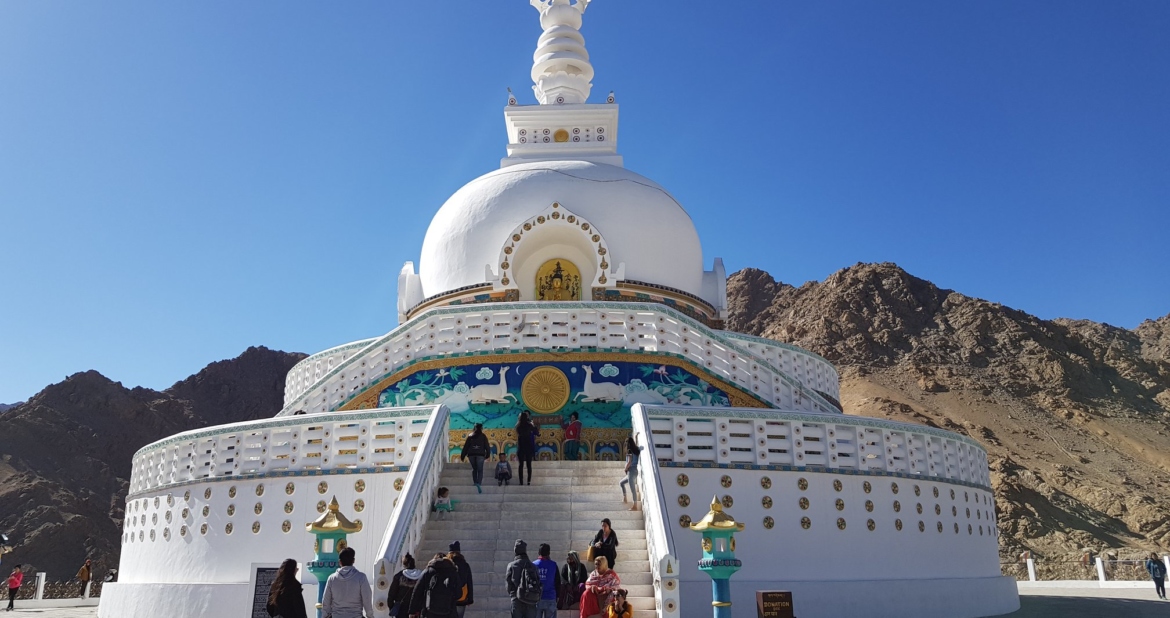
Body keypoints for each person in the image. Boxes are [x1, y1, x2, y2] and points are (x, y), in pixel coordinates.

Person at [321, 547, 375, 618]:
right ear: (353, 560)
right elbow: (367, 599)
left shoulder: (332, 579)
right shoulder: (361, 577)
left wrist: (325, 616)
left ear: (340, 562)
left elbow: (326, 602)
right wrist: (370, 616)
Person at [408, 553, 462, 618]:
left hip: (429, 612)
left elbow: (417, 592)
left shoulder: (428, 571)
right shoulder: (453, 573)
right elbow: (459, 594)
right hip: (449, 612)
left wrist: (412, 611)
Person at [505, 540, 541, 618]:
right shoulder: (533, 566)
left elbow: (508, 584)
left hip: (516, 599)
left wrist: (513, 595)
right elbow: (538, 582)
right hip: (531, 599)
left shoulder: (511, 565)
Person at [387, 554, 424, 618]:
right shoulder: (422, 576)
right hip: (416, 610)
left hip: (401, 609)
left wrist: (392, 606)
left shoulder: (399, 576)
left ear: (404, 564)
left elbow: (392, 594)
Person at [460, 424, 490, 494]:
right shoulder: (483, 436)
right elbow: (487, 446)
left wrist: (463, 455)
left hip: (471, 455)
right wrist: (487, 454)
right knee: (480, 470)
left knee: (474, 469)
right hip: (480, 455)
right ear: (481, 428)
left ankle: (475, 482)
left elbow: (466, 446)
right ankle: (479, 483)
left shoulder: (470, 436)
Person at [533, 543, 560, 618]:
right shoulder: (553, 565)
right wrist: (557, 596)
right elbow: (557, 582)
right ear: (549, 553)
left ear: (539, 552)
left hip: (536, 598)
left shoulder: (533, 565)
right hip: (550, 597)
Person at [447, 542, 474, 617]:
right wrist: (470, 599)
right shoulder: (465, 565)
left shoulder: (446, 564)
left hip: (448, 597)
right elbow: (469, 582)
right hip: (462, 597)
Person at [515, 411, 539, 485]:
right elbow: (536, 432)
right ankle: (528, 481)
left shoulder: (518, 426)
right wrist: (533, 425)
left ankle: (521, 481)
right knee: (529, 465)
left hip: (521, 447)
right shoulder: (529, 425)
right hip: (528, 447)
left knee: (521, 465)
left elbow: (517, 432)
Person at [618, 435, 641, 510]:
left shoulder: (629, 451)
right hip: (634, 471)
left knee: (633, 489)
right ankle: (625, 497)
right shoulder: (636, 450)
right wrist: (636, 437)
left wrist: (625, 469)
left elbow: (629, 462)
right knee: (621, 483)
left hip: (631, 471)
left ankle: (635, 506)